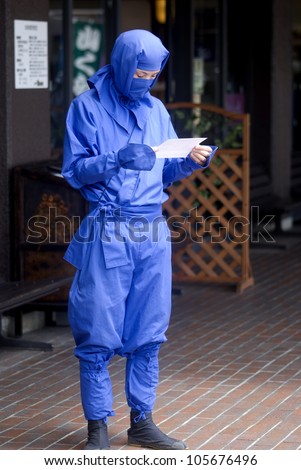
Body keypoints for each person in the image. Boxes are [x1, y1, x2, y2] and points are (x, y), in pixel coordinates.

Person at [62, 29, 217, 451]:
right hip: (108, 228)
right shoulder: (87, 108)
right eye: (141, 73)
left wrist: (188, 161)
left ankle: (142, 421)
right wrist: (114, 159)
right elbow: (75, 172)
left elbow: (162, 171)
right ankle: (97, 427)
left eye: (154, 75)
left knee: (149, 328)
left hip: (151, 230)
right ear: (123, 65)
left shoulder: (156, 111)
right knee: (97, 328)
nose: (147, 82)